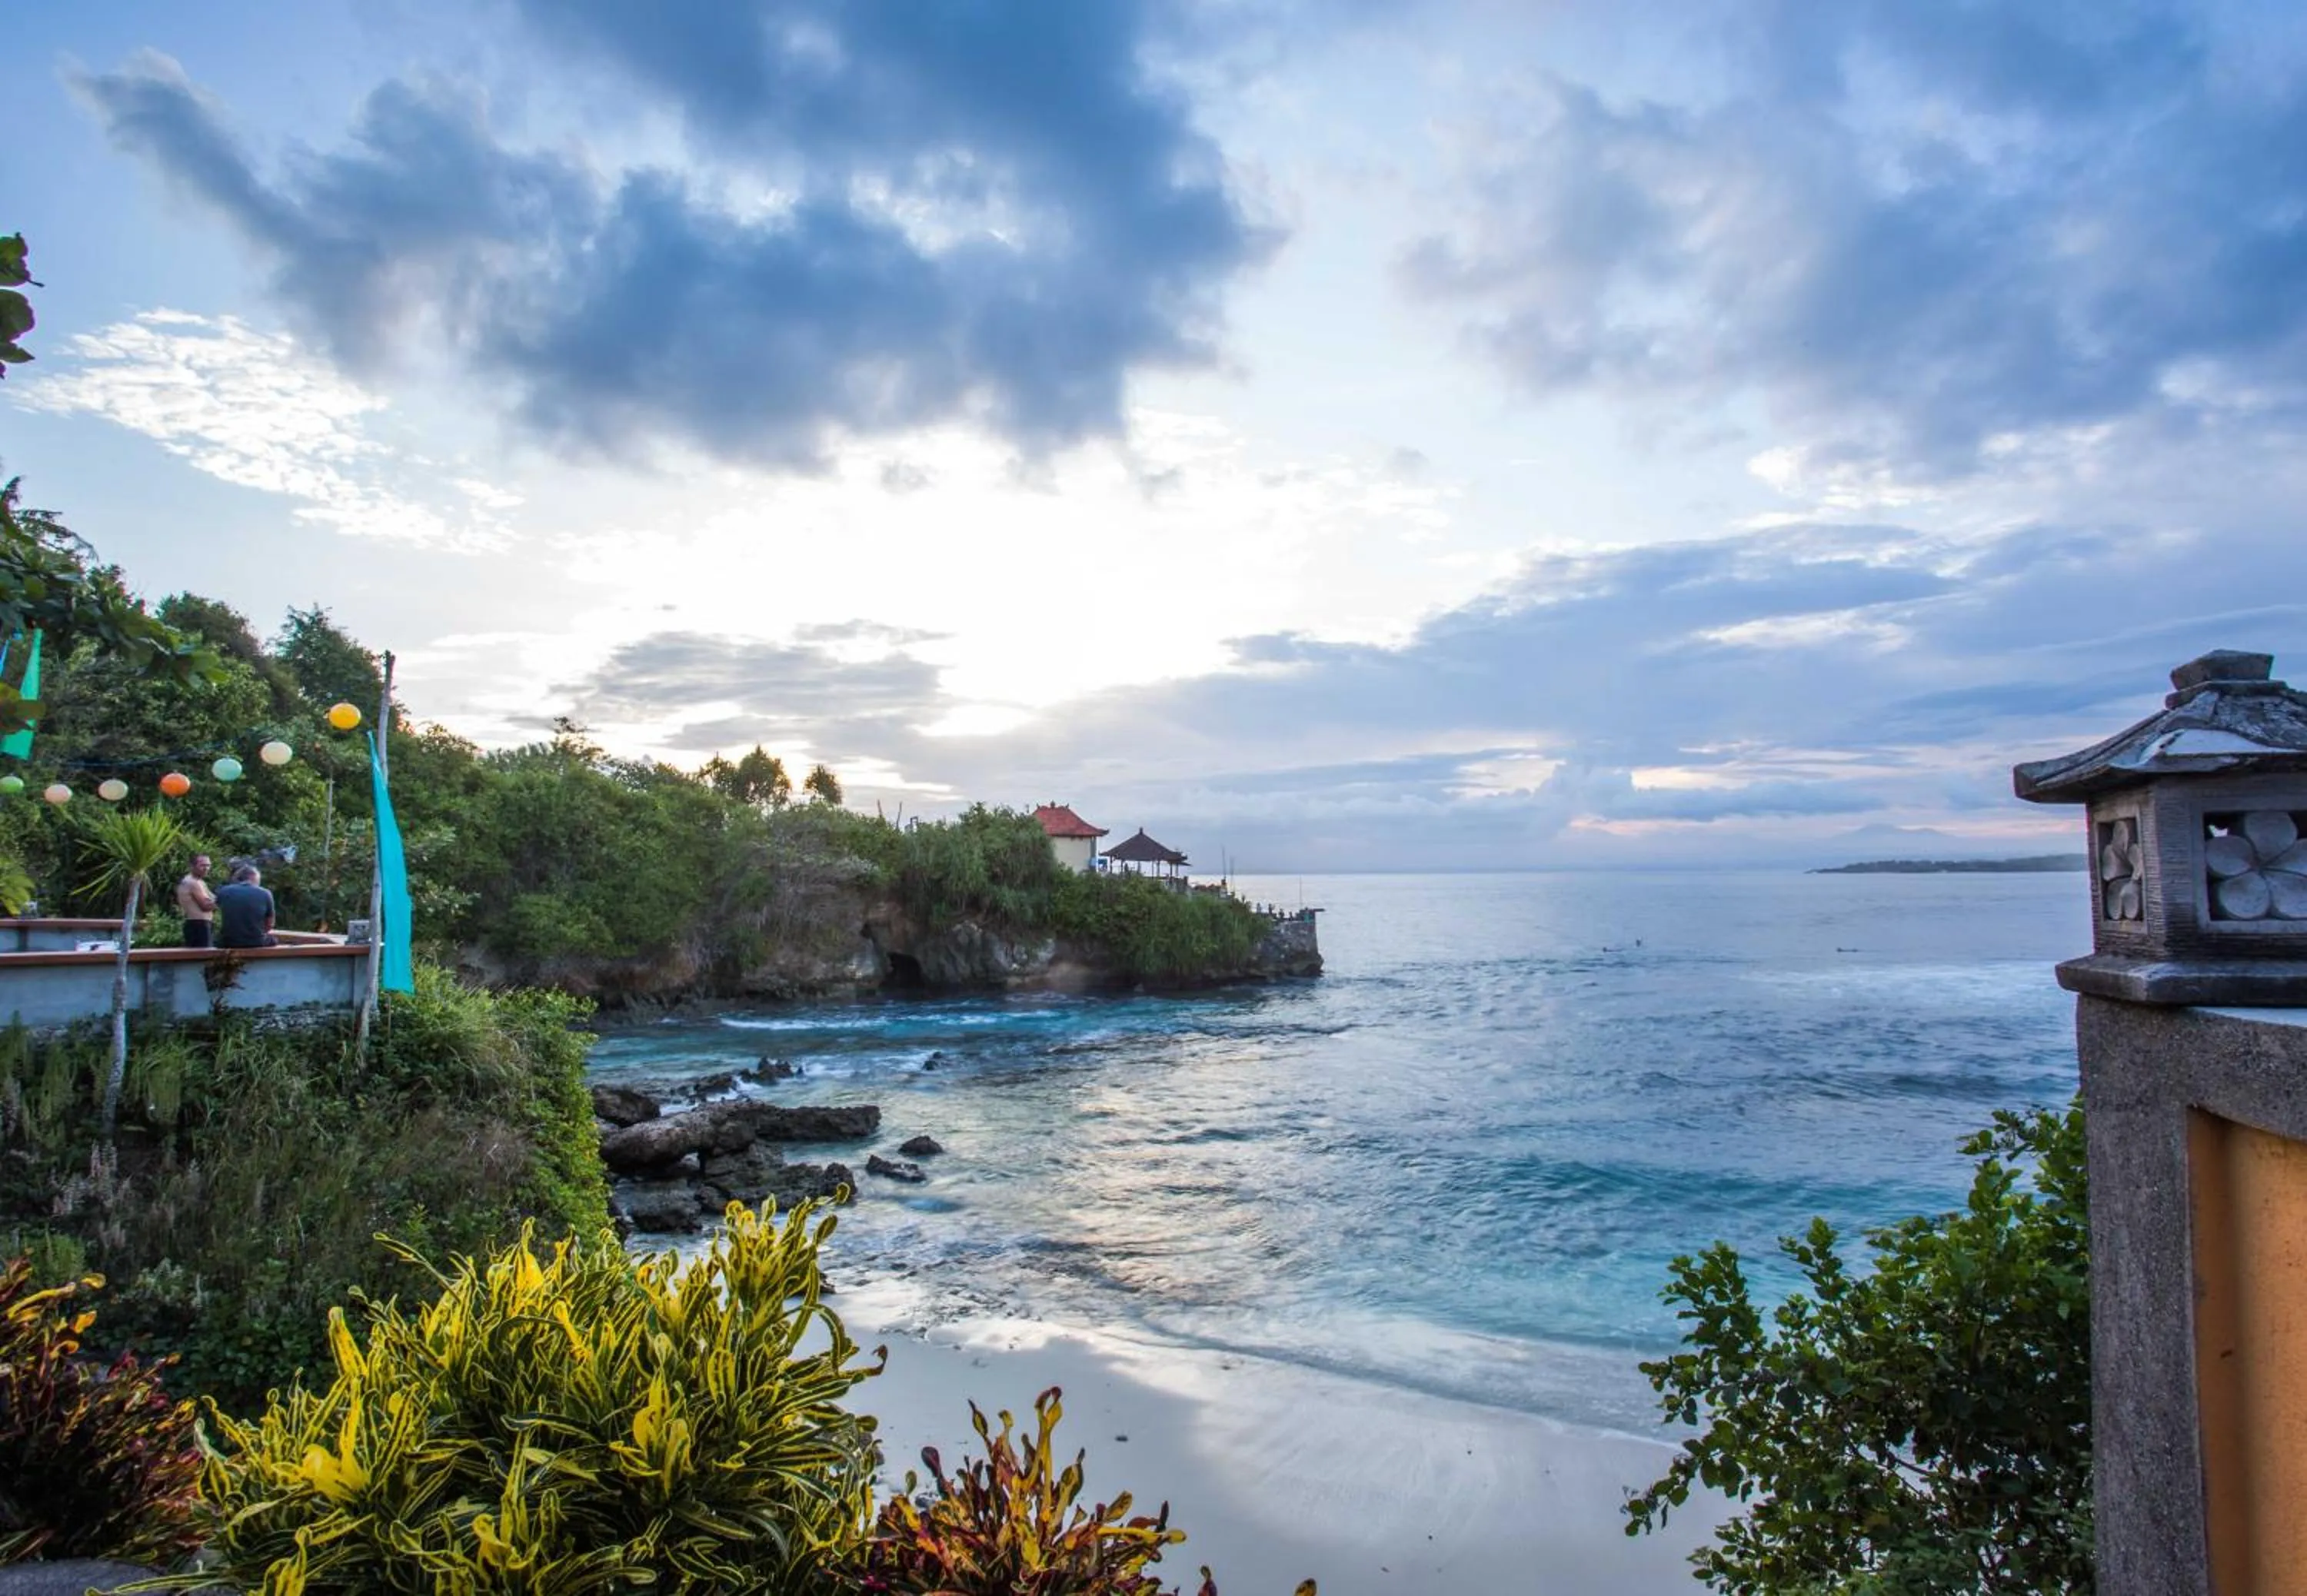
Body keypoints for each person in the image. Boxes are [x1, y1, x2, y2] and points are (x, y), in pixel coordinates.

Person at [214, 863, 278, 949]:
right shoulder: (265, 893)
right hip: (256, 942)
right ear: (253, 877)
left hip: (228, 942)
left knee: (216, 939)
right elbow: (270, 924)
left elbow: (215, 910)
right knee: (274, 940)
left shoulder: (224, 891)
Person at [175, 853, 217, 948]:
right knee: (204, 957)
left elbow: (213, 900)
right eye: (202, 865)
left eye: (208, 865)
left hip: (199, 924)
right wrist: (224, 900)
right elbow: (206, 906)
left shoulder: (199, 882)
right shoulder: (192, 883)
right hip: (198, 925)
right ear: (192, 866)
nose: (206, 868)